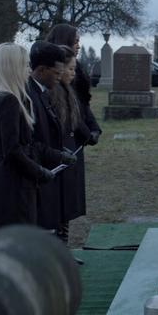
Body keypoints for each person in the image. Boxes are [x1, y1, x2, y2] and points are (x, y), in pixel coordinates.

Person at [0, 43, 55, 234]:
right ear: (12, 68)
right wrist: (39, 172)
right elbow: (12, 151)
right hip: (12, 182)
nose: (28, 71)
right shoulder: (8, 101)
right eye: (25, 65)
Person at [45, 24, 101, 228]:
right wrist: (87, 133)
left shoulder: (75, 68)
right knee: (58, 200)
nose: (79, 45)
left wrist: (94, 128)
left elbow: (83, 104)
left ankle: (63, 246)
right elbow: (69, 111)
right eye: (75, 41)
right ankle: (58, 250)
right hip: (63, 142)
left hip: (76, 141)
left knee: (68, 199)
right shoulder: (56, 75)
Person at [26, 41, 78, 233]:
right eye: (56, 73)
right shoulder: (30, 94)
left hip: (46, 165)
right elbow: (31, 141)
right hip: (36, 170)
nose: (59, 77)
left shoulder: (42, 92)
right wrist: (56, 155)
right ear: (41, 70)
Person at [50, 45, 90, 244]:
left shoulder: (68, 92)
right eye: (71, 69)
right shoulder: (52, 94)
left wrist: (90, 133)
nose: (74, 74)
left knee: (65, 209)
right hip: (56, 157)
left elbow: (77, 120)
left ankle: (63, 247)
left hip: (68, 153)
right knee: (56, 211)